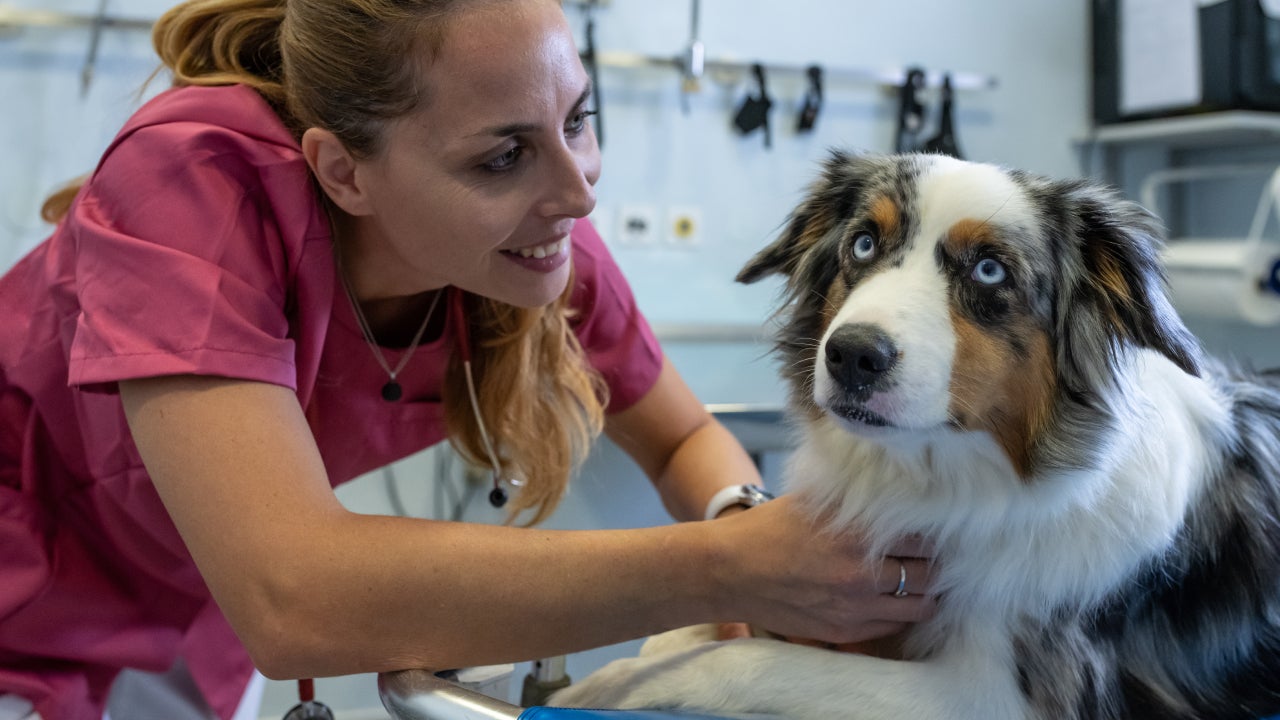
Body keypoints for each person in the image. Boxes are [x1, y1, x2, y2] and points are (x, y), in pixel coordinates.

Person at [0, 1, 937, 718]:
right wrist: (726, 569)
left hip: (182, 613)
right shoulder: (193, 181)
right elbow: (293, 593)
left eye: (579, 119)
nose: (576, 196)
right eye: (502, 158)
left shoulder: (534, 251)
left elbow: (683, 434)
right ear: (343, 173)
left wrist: (743, 519)